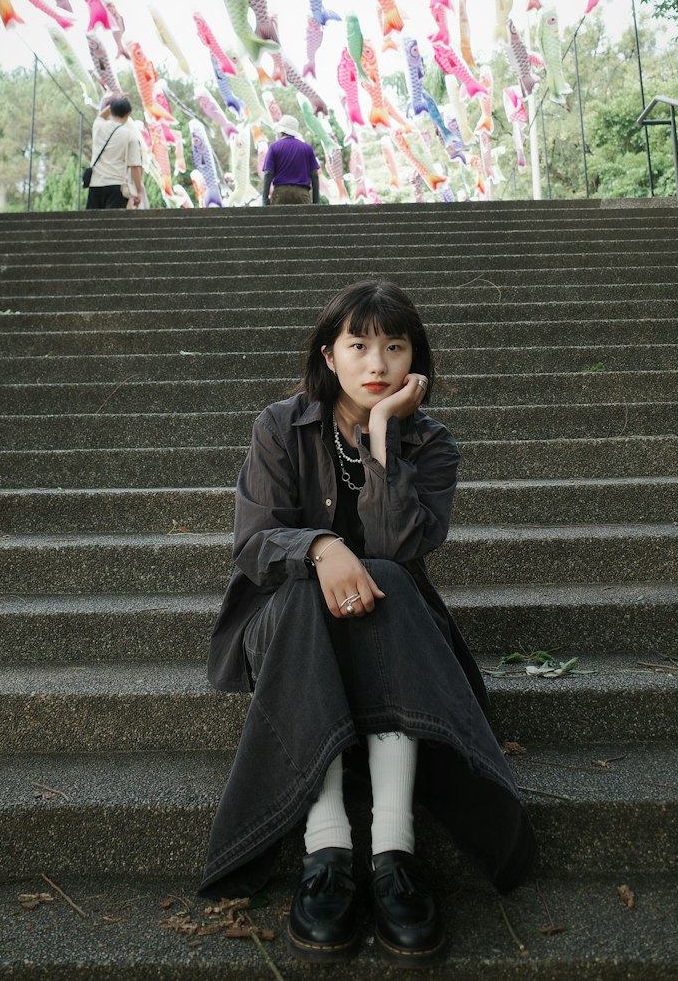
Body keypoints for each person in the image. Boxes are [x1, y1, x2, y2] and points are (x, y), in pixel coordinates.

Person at [200, 281, 536, 965]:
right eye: (358, 345)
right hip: (289, 628)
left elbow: (399, 550)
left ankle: (392, 852)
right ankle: (325, 848)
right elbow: (255, 543)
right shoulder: (279, 426)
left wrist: (383, 436)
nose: (375, 361)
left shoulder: (432, 444)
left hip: (393, 633)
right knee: (299, 598)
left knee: (384, 578)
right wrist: (321, 548)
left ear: (415, 358)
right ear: (330, 355)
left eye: (394, 345)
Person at [85, 94, 143, 210]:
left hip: (95, 184)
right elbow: (135, 166)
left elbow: (102, 115)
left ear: (111, 110)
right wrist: (139, 191)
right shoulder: (130, 135)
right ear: (128, 114)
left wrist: (116, 99)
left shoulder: (98, 126)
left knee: (91, 225)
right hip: (116, 187)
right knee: (112, 225)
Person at [261, 114, 320, 206]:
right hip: (302, 193)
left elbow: (268, 173)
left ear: (281, 131)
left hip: (280, 194)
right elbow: (314, 175)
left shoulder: (274, 147)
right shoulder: (307, 148)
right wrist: (316, 202)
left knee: (279, 220)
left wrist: (265, 199)